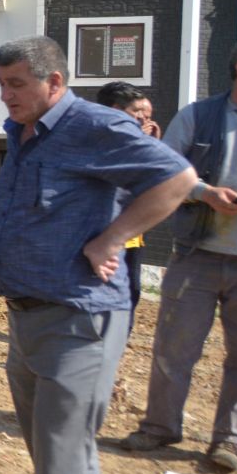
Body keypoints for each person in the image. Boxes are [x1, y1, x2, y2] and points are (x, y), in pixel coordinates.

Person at [0, 36, 193, 474]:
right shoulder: (22, 132)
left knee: (60, 451)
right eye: (1, 84)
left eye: (17, 84)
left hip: (81, 318)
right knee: (59, 448)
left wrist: (112, 237)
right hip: (27, 317)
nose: (5, 96)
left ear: (55, 82)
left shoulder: (93, 126)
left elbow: (176, 180)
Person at [120, 32, 237, 473]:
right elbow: (163, 171)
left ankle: (230, 439)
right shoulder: (198, 116)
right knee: (175, 348)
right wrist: (205, 193)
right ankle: (159, 427)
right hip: (198, 255)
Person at [95, 81, 160, 322]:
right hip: (100, 235)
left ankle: (116, 343)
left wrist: (151, 146)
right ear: (114, 110)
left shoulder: (142, 143)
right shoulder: (95, 138)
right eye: (137, 114)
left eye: (148, 116)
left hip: (132, 236)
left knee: (131, 293)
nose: (144, 121)